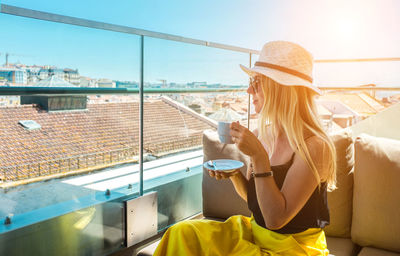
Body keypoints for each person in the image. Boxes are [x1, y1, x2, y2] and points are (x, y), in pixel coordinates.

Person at [153, 41, 336, 256]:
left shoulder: (314, 146)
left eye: (257, 82)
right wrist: (235, 177)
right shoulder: (262, 134)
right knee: (182, 232)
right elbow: (258, 201)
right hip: (255, 233)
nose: (249, 90)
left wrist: (258, 156)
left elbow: (275, 218)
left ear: (281, 88)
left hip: (292, 248)